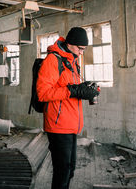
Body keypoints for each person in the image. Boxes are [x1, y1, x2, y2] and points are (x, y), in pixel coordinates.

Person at [36, 27, 100, 189]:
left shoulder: (72, 61)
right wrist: (73, 90)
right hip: (58, 126)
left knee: (69, 170)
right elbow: (43, 94)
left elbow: (68, 87)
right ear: (70, 44)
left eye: (84, 50)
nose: (81, 53)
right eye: (80, 49)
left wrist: (83, 88)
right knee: (62, 172)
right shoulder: (53, 60)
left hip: (71, 125)